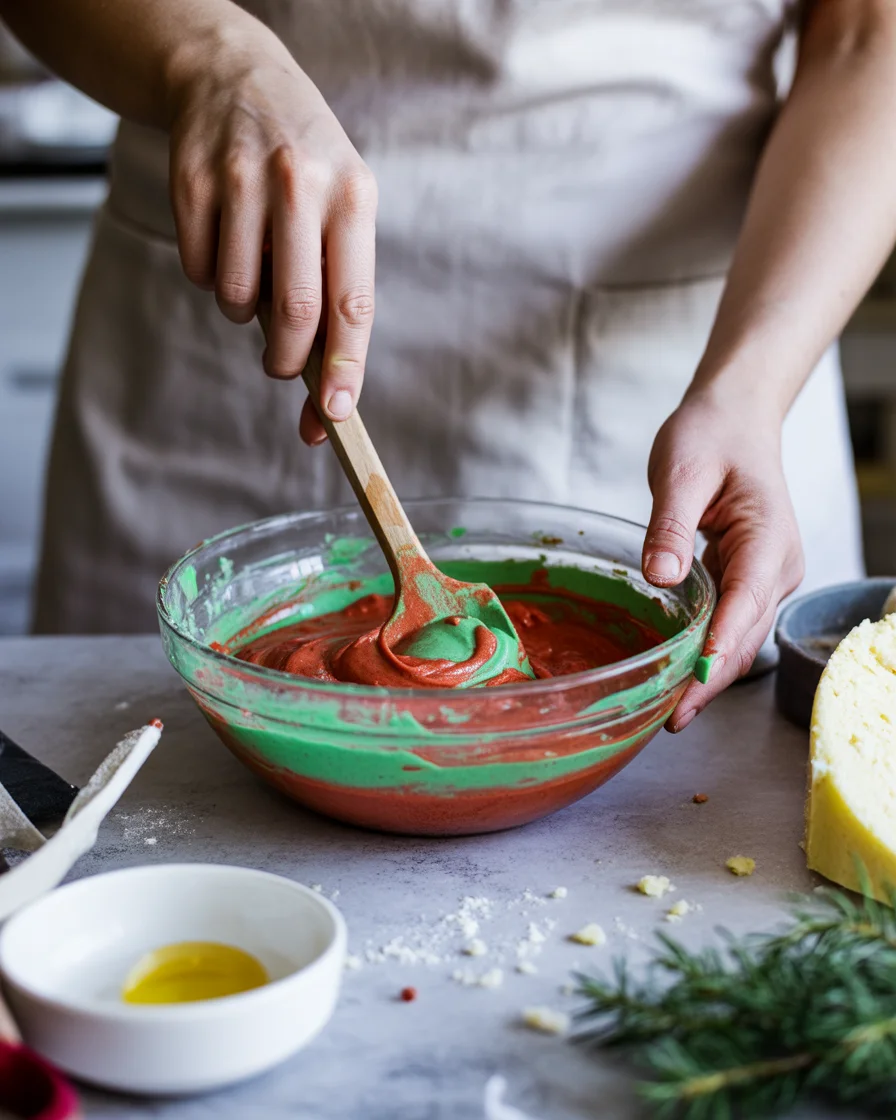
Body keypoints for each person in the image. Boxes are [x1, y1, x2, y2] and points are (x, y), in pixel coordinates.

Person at [2, 0, 892, 733]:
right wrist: (206, 54)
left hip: (708, 349)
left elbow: (869, 32)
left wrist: (751, 386)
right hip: (232, 295)